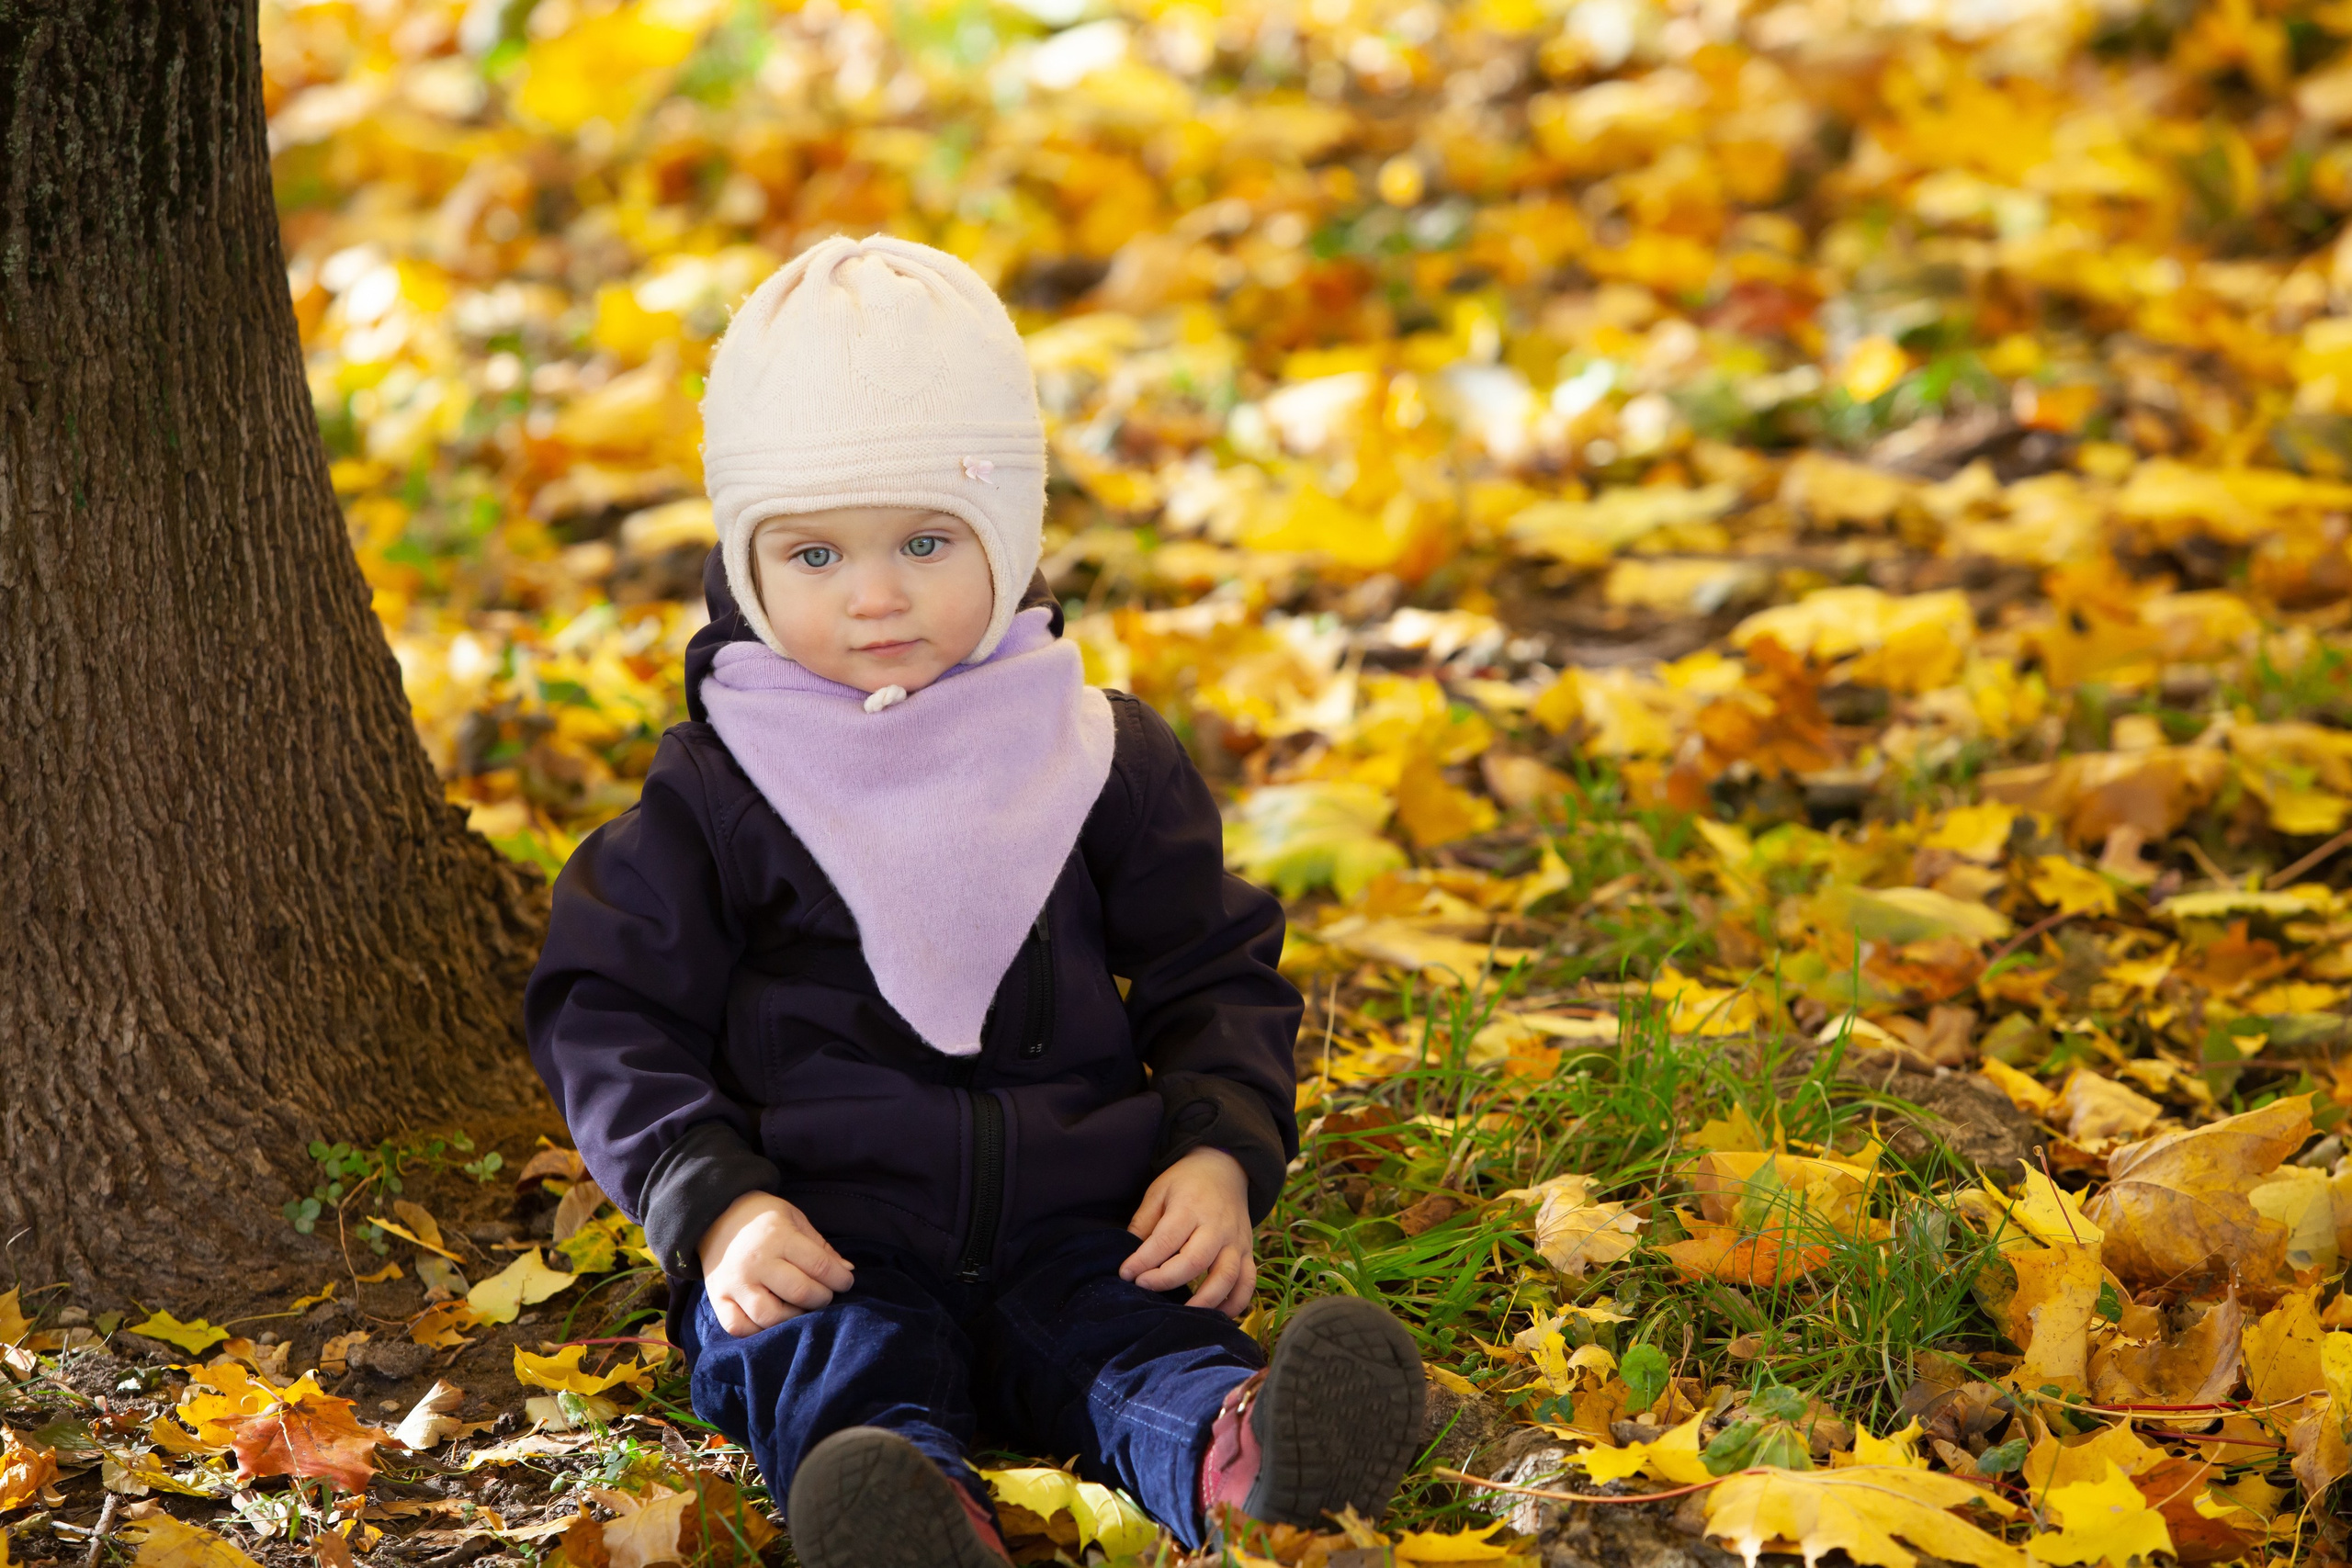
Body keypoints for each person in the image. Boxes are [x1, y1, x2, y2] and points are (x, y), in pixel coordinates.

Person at [526, 235, 1425, 1568]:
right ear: (747, 560)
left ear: (1008, 537)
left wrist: (1220, 1150)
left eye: (929, 542)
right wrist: (717, 1203)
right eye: (816, 556)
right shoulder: (720, 786)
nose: (876, 596)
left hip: (1082, 1213)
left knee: (1142, 1343)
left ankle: (1247, 1453)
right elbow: (605, 1007)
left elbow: (1214, 968)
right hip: (829, 1234)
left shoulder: (1095, 753)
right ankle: (907, 1517)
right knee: (821, 1365)